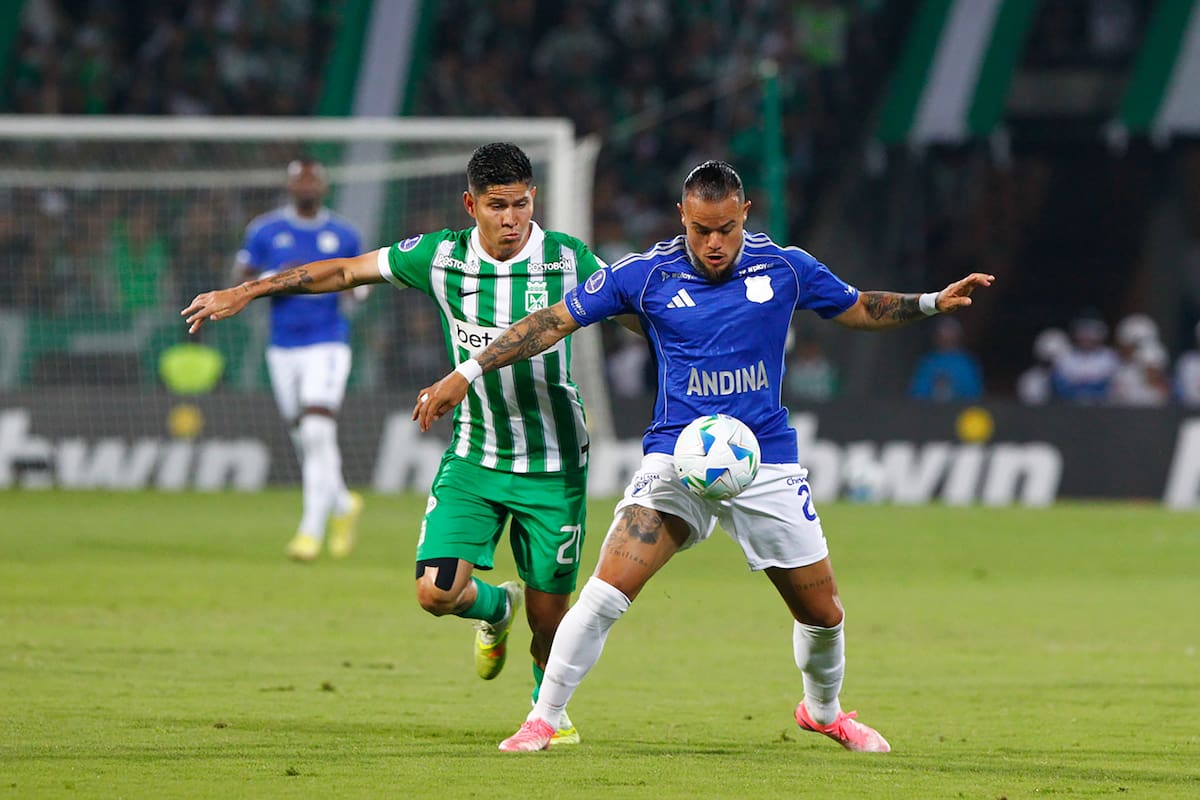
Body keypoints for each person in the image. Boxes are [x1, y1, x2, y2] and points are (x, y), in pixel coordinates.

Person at [415, 160, 994, 753]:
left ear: (745, 215)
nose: (713, 244)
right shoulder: (643, 275)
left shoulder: (786, 267)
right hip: (675, 461)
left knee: (823, 614)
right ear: (681, 219)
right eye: (700, 230)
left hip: (763, 459)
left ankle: (823, 712)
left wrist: (929, 303)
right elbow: (552, 321)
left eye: (725, 229)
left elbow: (856, 306)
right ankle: (545, 717)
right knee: (605, 591)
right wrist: (467, 370)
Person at [184, 142, 615, 746]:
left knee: (552, 617)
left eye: (521, 204)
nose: (512, 219)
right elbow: (342, 271)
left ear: (534, 199)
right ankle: (495, 609)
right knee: (435, 593)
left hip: (554, 465)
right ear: (471, 205)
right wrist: (247, 291)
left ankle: (546, 712)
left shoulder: (570, 260)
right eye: (498, 206)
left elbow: (633, 310)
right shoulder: (439, 257)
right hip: (474, 458)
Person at [232, 158, 365, 562]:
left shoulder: (343, 234)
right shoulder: (266, 230)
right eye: (299, 180)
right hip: (282, 347)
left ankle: (310, 531)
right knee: (303, 436)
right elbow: (241, 275)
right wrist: (279, 276)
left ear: (322, 187)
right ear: (289, 187)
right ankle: (342, 504)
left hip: (326, 343)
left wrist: (345, 290)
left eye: (312, 180)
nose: (306, 186)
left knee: (316, 431)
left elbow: (359, 288)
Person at [907, 316, 983, 402]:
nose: (947, 342)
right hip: (929, 412)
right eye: (943, 337)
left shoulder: (967, 364)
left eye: (951, 338)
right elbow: (917, 393)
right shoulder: (928, 363)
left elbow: (974, 393)